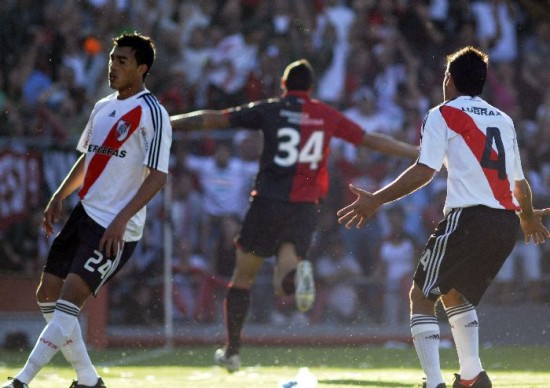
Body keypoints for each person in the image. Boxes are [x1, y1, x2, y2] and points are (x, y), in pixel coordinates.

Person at [170, 58, 418, 372]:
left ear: (284, 85)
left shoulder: (271, 109)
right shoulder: (325, 115)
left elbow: (215, 119)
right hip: (304, 208)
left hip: (268, 203)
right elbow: (370, 140)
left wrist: (171, 121)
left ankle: (232, 352)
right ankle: (296, 274)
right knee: (282, 284)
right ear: (311, 88)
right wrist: (414, 152)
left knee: (242, 278)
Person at [337, 46, 550, 388]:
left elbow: (425, 171)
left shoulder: (443, 113)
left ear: (448, 80)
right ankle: (471, 376)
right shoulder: (503, 119)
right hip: (505, 224)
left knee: (421, 296)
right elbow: (520, 182)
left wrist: (377, 199)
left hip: (469, 219)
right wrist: (526, 217)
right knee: (453, 293)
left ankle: (433, 382)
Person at [2, 32, 172, 388]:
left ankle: (22, 380)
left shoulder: (153, 113)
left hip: (116, 228)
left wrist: (122, 220)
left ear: (142, 69)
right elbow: (87, 158)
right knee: (46, 295)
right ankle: (89, 380)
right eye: (112, 59)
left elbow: (158, 177)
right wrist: (59, 195)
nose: (113, 66)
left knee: (68, 302)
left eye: (122, 61)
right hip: (85, 213)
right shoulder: (102, 107)